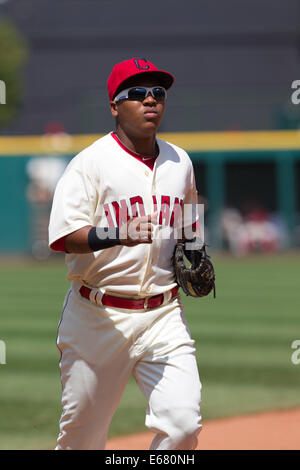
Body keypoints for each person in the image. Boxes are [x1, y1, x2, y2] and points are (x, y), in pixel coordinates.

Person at [48, 57, 202, 450]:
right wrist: (115, 233)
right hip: (97, 315)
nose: (150, 100)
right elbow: (63, 236)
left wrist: (197, 252)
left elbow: (189, 216)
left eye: (158, 93)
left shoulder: (179, 161)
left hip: (164, 313)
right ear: (115, 105)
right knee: (82, 439)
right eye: (137, 93)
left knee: (183, 427)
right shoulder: (90, 162)